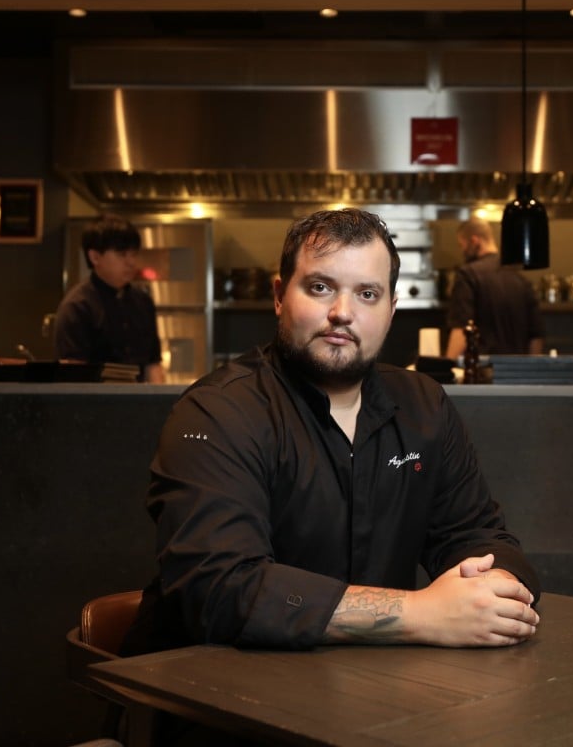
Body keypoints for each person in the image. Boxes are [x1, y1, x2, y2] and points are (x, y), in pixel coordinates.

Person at [126, 207, 539, 652]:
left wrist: (494, 588)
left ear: (391, 310)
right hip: (220, 698)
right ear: (280, 295)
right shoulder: (218, 412)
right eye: (321, 287)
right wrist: (420, 613)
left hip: (372, 697)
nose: (343, 312)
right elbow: (218, 587)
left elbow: (479, 535)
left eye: (367, 293)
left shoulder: (424, 406)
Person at [54, 215, 166, 383]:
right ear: (95, 257)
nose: (131, 262)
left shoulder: (143, 302)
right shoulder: (77, 306)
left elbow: (153, 365)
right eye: (122, 254)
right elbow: (73, 375)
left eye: (133, 254)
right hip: (95, 405)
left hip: (139, 403)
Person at [445, 218, 543, 359]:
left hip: (482, 371)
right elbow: (536, 336)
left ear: (474, 241)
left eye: (463, 246)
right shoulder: (521, 280)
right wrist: (531, 370)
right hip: (517, 373)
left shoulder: (468, 275)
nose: (463, 252)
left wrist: (447, 370)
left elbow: (461, 329)